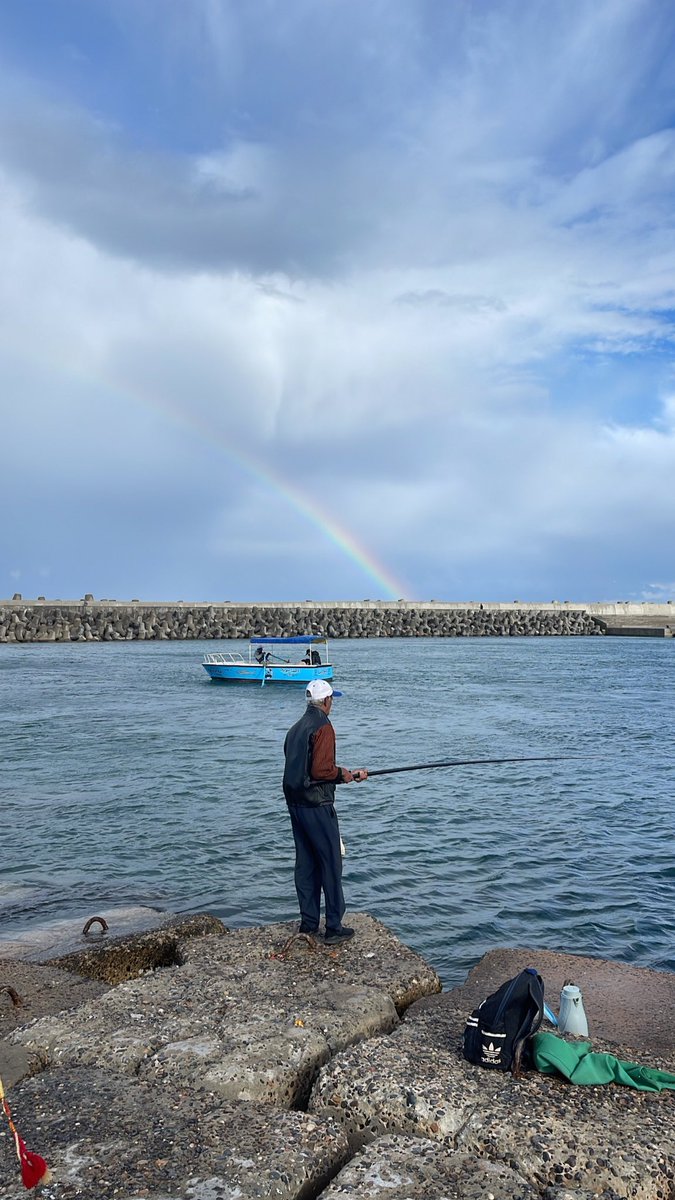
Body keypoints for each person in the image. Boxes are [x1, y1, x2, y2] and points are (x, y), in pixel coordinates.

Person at [283, 679, 367, 944]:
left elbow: (301, 767)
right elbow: (321, 771)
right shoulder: (323, 727)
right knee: (331, 862)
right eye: (332, 700)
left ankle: (308, 924)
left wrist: (343, 774)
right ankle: (333, 927)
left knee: (306, 864)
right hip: (317, 805)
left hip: (296, 804)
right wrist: (347, 775)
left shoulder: (295, 729)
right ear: (327, 701)